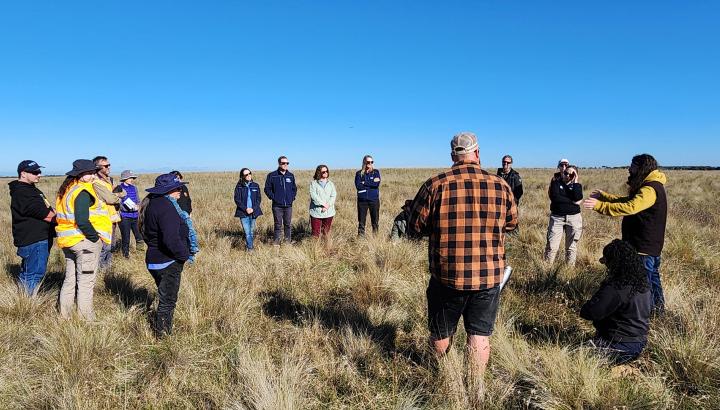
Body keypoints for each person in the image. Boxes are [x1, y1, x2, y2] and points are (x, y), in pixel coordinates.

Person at [407, 132, 518, 374]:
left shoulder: (435, 184)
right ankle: (474, 384)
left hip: (448, 274)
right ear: (477, 154)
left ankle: (444, 377)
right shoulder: (501, 185)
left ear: (452, 156)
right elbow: (511, 223)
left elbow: (414, 226)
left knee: (441, 331)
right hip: (488, 275)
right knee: (479, 335)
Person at [583, 154, 668, 312]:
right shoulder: (648, 186)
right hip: (648, 246)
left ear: (641, 168)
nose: (629, 169)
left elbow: (630, 207)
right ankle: (658, 310)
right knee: (652, 280)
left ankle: (644, 314)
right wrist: (606, 197)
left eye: (633, 166)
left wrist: (600, 205)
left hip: (643, 247)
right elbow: (627, 201)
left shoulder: (650, 189)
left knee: (643, 284)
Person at [55, 159, 113, 320]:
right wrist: (95, 238)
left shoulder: (68, 190)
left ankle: (64, 315)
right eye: (89, 172)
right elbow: (82, 220)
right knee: (86, 282)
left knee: (70, 279)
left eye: (93, 172)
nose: (93, 175)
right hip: (85, 243)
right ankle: (87, 319)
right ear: (80, 174)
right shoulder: (82, 191)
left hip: (68, 242)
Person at [580, 239, 652, 364]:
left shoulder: (615, 288)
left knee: (579, 356)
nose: (603, 262)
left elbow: (590, 312)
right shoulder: (644, 285)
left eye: (606, 260)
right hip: (639, 343)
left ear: (615, 263)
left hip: (618, 345)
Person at [139, 173, 192, 336]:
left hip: (154, 259)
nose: (180, 190)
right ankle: (163, 336)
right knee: (168, 301)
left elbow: (147, 234)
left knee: (164, 297)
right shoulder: (166, 207)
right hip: (167, 262)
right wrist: (183, 255)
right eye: (177, 188)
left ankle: (162, 331)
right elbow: (170, 239)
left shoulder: (152, 203)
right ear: (167, 190)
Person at [8, 160, 56, 295]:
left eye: (39, 171)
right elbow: (44, 214)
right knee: (34, 274)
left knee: (28, 271)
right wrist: (64, 220)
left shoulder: (30, 189)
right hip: (34, 239)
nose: (39, 174)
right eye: (35, 172)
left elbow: (46, 208)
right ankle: (27, 303)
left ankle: (22, 297)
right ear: (23, 173)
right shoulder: (23, 192)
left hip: (37, 237)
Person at [544, 164, 583, 266]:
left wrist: (576, 182)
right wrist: (573, 202)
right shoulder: (556, 183)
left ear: (575, 176)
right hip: (557, 218)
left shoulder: (577, 186)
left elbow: (578, 197)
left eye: (571, 174)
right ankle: (546, 271)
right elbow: (555, 198)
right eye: (566, 173)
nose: (567, 176)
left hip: (574, 218)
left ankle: (568, 273)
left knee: (571, 247)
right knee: (551, 246)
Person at [93, 156, 124, 270]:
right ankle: (100, 271)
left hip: (113, 217)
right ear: (98, 167)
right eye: (106, 165)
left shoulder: (110, 180)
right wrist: (116, 196)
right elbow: (110, 199)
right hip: (102, 219)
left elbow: (123, 192)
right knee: (104, 248)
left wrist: (114, 195)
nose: (109, 167)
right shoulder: (95, 182)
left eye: (109, 165)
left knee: (111, 246)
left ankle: (107, 270)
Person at [264, 156, 297, 245]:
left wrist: (292, 198)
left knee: (288, 225)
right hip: (277, 206)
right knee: (278, 225)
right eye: (283, 163)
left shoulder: (290, 175)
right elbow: (267, 189)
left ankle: (287, 243)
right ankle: (276, 243)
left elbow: (294, 189)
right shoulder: (272, 175)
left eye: (287, 163)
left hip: (288, 205)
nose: (285, 165)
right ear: (279, 163)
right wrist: (274, 198)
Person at [234, 168, 263, 250]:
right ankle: (250, 249)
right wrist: (245, 208)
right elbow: (237, 199)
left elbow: (258, 199)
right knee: (247, 232)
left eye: (249, 173)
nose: (248, 175)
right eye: (246, 174)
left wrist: (253, 208)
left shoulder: (255, 185)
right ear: (242, 176)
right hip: (243, 213)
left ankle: (250, 247)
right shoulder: (239, 186)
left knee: (251, 231)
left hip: (253, 212)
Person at [117, 170, 144, 258]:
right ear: (124, 178)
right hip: (125, 217)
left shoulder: (134, 188)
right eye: (130, 178)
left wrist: (138, 207)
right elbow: (120, 202)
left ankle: (140, 254)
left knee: (139, 236)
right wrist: (131, 207)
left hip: (135, 216)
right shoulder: (119, 188)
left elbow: (138, 200)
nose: (132, 179)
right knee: (126, 238)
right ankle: (126, 256)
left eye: (132, 178)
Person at [355, 155, 381, 235]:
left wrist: (365, 183)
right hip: (362, 201)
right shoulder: (359, 173)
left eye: (371, 162)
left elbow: (376, 183)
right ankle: (361, 240)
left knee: (375, 221)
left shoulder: (376, 172)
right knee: (361, 221)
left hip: (374, 200)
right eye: (368, 162)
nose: (370, 163)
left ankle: (375, 238)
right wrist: (371, 183)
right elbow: (358, 186)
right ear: (364, 162)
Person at [309, 164, 337, 238]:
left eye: (327, 171)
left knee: (326, 232)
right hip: (316, 212)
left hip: (329, 212)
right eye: (323, 171)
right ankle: (315, 248)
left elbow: (333, 195)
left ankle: (325, 247)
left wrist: (328, 205)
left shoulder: (331, 184)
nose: (326, 173)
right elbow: (314, 196)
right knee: (315, 233)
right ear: (319, 172)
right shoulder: (313, 183)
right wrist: (323, 204)